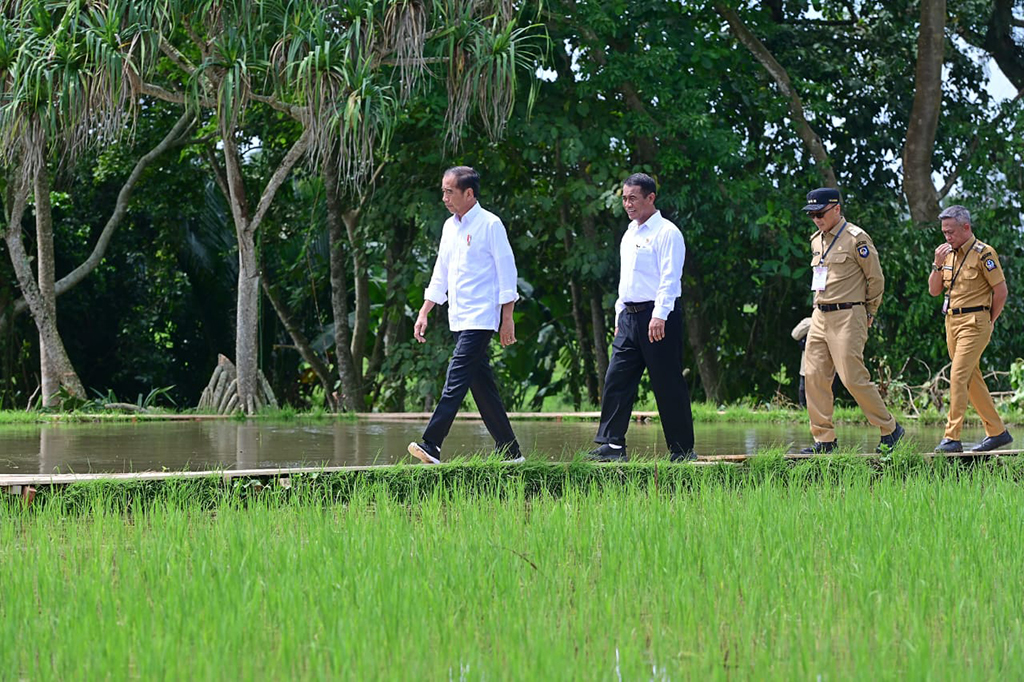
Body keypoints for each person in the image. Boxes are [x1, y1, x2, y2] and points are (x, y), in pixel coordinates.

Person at [407, 166, 523, 464]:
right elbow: (440, 273)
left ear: (469, 193)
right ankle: (510, 452)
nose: (444, 197)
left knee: (455, 379)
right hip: (458, 318)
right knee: (481, 387)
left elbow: (507, 273)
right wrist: (424, 311)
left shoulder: (490, 225)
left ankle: (432, 443)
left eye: (450, 191)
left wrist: (506, 318)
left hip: (481, 318)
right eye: (443, 190)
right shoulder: (449, 227)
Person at [588, 173, 695, 463]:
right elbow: (628, 279)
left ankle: (682, 450)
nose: (627, 204)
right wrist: (618, 313)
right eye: (624, 198)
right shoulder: (629, 232)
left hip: (658, 315)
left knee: (667, 382)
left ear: (651, 198)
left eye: (633, 198)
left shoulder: (667, 232)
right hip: (629, 316)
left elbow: (670, 279)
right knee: (616, 378)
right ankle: (611, 445)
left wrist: (659, 316)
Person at [800, 187, 904, 454]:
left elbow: (876, 279)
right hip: (820, 315)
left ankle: (890, 429)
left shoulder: (856, 238)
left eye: (820, 213)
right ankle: (824, 439)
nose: (816, 219)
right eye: (812, 214)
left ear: (836, 209)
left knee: (852, 377)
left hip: (849, 314)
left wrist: (869, 311)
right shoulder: (816, 240)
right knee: (813, 376)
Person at [928, 205, 1013, 453]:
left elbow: (1001, 291)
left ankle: (952, 437)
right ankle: (997, 432)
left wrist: (990, 320)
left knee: (957, 375)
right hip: (951, 321)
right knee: (971, 378)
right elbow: (934, 291)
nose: (947, 237)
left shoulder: (984, 253)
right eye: (944, 232)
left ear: (966, 227)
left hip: (975, 322)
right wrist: (936, 264)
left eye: (951, 232)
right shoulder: (947, 255)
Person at [791, 316, 812, 407]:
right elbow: (795, 334)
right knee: (803, 389)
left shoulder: (832, 320)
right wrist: (811, 323)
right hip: (806, 364)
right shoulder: (809, 322)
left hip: (826, 366)